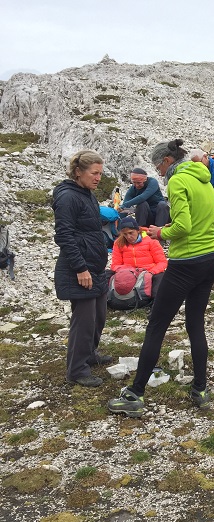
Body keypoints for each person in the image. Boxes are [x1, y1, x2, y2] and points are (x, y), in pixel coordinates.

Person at [108, 139, 214, 417]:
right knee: (195, 324)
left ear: (167, 161)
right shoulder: (205, 182)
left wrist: (161, 232)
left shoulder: (177, 182)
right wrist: (194, 230)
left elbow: (183, 226)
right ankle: (200, 389)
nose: (158, 172)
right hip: (209, 261)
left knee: (157, 325)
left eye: (158, 165)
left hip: (184, 263)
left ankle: (135, 394)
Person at [53, 150, 112, 387]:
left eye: (100, 173)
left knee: (99, 316)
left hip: (94, 266)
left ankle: (89, 354)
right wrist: (80, 268)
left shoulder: (86, 193)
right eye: (94, 173)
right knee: (84, 320)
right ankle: (77, 370)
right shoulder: (68, 197)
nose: (98, 178)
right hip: (79, 268)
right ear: (79, 172)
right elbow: (64, 236)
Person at [109, 216, 167, 299]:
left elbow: (162, 262)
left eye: (131, 233)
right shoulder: (118, 243)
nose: (128, 237)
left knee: (161, 276)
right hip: (128, 274)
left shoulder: (151, 241)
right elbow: (115, 265)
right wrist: (128, 271)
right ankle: (109, 299)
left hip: (148, 272)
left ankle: (155, 301)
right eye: (125, 234)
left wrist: (151, 272)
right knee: (107, 274)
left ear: (138, 230)